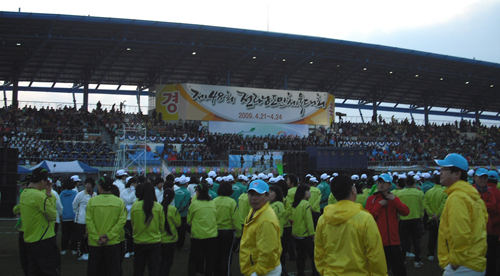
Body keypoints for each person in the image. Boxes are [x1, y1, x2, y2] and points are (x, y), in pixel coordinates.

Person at [314, 174, 387, 275]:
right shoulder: (365, 218)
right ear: (353, 190)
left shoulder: (323, 219)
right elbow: (375, 255)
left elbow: (319, 252)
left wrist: (324, 272)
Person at [435, 153, 488, 275]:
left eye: (444, 169)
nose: (440, 172)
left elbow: (460, 232)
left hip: (463, 265)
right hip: (474, 261)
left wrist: (455, 261)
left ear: (457, 174)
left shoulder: (458, 197)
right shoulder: (472, 195)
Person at [365, 173, 409, 276]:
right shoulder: (372, 199)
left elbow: (406, 212)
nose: (381, 185)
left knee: (399, 271)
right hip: (378, 242)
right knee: (380, 272)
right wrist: (379, 205)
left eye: (384, 182)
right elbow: (369, 217)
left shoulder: (394, 199)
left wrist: (395, 200)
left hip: (394, 242)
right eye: (379, 182)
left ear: (390, 185)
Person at [19, 167, 61, 276]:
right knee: (51, 269)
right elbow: (52, 215)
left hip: (30, 240)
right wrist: (48, 194)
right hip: (44, 239)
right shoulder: (39, 196)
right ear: (42, 181)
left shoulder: (24, 193)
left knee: (34, 270)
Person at [86, 176, 127, 276]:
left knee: (94, 270)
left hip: (95, 243)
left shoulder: (92, 201)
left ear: (100, 188)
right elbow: (121, 222)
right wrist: (108, 236)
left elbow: (89, 222)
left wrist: (97, 237)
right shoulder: (119, 202)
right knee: (112, 270)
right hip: (112, 242)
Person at [240, 180, 282, 276]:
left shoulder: (266, 219)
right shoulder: (254, 211)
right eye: (251, 194)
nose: (254, 198)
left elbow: (268, 252)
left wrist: (257, 272)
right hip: (257, 266)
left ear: (267, 196)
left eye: (259, 195)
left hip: (264, 270)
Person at [131, 182, 165, 276]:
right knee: (154, 269)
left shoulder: (135, 205)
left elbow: (133, 223)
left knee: (138, 269)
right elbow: (162, 225)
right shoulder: (158, 206)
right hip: (154, 242)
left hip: (139, 241)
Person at [187, 181, 218, 276]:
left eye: (196, 190)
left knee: (193, 258)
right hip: (211, 236)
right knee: (209, 259)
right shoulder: (212, 203)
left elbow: (189, 221)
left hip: (197, 236)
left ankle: (193, 273)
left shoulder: (194, 204)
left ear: (199, 192)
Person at [213, 182, 241, 276]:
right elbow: (236, 219)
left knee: (216, 255)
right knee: (227, 256)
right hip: (228, 232)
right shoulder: (231, 202)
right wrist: (238, 233)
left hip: (215, 231)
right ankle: (226, 273)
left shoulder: (214, 201)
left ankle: (216, 273)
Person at [291, 184, 319, 276]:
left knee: (300, 256)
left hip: (296, 234)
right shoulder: (305, 204)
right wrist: (312, 234)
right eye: (308, 191)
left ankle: (300, 273)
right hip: (305, 234)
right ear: (303, 193)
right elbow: (308, 220)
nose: (310, 193)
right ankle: (315, 273)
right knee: (314, 256)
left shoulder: (295, 204)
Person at [398, 175, 425, 267]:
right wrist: (421, 216)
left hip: (403, 219)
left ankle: (403, 260)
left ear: (405, 183)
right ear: (414, 183)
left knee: (403, 241)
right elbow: (422, 207)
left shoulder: (400, 193)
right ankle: (417, 261)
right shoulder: (419, 193)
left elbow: (398, 207)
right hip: (416, 219)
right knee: (417, 241)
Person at [423, 172, 447, 261]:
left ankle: (431, 253)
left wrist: (431, 214)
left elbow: (425, 203)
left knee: (432, 236)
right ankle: (443, 254)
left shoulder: (429, 192)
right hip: (441, 218)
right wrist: (437, 214)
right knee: (443, 238)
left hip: (432, 218)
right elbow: (443, 204)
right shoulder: (445, 191)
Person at [73, 177, 96, 261]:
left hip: (91, 221)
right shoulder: (80, 194)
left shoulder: (94, 195)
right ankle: (80, 253)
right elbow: (74, 205)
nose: (87, 186)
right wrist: (79, 214)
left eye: (89, 184)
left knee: (88, 237)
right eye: (86, 184)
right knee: (80, 237)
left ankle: (86, 252)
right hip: (81, 220)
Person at [268, 184, 289, 276]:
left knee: (275, 258)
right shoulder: (271, 204)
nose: (269, 194)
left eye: (271, 192)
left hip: (276, 234)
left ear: (277, 194)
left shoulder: (278, 204)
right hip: (273, 234)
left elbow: (270, 218)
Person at [160, 188, 181, 276]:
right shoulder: (172, 209)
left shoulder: (157, 208)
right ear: (172, 198)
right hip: (170, 238)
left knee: (160, 261)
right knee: (168, 262)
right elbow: (178, 223)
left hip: (158, 238)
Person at [120, 176, 138, 258]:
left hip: (133, 215)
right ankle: (126, 250)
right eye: (135, 183)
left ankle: (132, 249)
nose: (136, 185)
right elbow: (128, 200)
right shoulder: (124, 192)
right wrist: (133, 192)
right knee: (127, 234)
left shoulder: (134, 191)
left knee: (133, 235)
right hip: (126, 216)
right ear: (131, 184)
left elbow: (135, 201)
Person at [60, 178, 78, 255]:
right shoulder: (75, 194)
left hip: (64, 217)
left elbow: (60, 205)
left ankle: (64, 248)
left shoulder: (61, 194)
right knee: (74, 234)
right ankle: (73, 249)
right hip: (73, 217)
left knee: (65, 234)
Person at [174, 176, 191, 251]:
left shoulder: (175, 191)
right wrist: (180, 210)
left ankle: (175, 244)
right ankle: (180, 245)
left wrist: (176, 210)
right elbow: (185, 204)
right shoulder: (187, 192)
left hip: (175, 213)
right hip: (183, 214)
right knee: (182, 231)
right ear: (186, 183)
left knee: (176, 229)